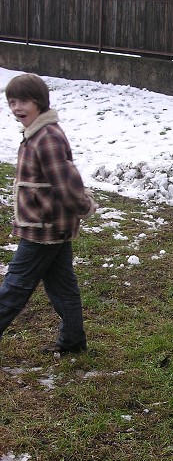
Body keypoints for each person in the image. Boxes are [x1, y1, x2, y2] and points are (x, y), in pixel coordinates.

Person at [0, 73, 97, 354]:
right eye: (12, 102)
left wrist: (85, 206)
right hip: (47, 225)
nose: (17, 108)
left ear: (40, 102)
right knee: (62, 287)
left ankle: (73, 340)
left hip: (44, 228)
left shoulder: (48, 137)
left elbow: (65, 185)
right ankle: (73, 341)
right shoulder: (36, 133)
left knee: (15, 287)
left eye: (24, 101)